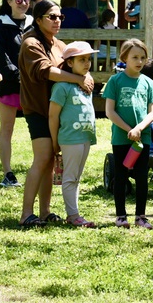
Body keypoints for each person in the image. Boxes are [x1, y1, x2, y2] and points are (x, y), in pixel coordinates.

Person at [18, 0, 94, 228]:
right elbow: (46, 71)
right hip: (38, 110)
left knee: (50, 161)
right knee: (42, 159)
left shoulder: (59, 45)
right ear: (38, 19)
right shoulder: (31, 44)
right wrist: (79, 79)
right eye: (52, 16)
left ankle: (45, 211)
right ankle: (26, 214)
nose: (57, 20)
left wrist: (85, 74)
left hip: (59, 112)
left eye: (60, 17)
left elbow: (70, 66)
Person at [104, 38, 153, 229]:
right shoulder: (115, 81)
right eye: (135, 57)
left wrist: (139, 129)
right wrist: (129, 130)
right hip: (121, 138)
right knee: (121, 175)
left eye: (143, 57)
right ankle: (120, 216)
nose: (139, 61)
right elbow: (110, 111)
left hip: (143, 138)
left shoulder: (149, 83)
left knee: (142, 177)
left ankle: (141, 216)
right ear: (124, 57)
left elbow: (152, 112)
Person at [49, 41, 98, 228]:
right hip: (70, 138)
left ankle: (73, 214)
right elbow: (53, 115)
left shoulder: (86, 83)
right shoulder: (62, 87)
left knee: (76, 177)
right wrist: (55, 141)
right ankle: (73, 215)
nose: (87, 63)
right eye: (81, 60)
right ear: (69, 63)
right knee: (70, 178)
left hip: (84, 137)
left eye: (88, 59)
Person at [0, 0, 33, 188]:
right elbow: (0, 58)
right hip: (8, 84)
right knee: (6, 128)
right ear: (9, 1)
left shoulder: (34, 23)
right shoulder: (0, 26)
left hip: (31, 85)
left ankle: (41, 167)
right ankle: (7, 173)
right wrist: (17, 75)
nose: (23, 3)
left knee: (37, 127)